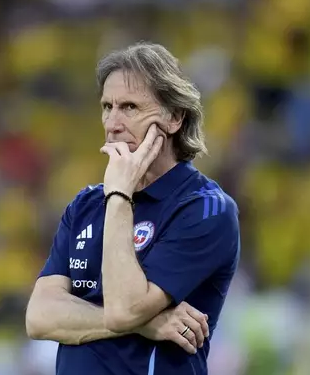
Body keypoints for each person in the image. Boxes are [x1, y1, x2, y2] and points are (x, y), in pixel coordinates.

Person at [25, 42, 240, 375]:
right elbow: (39, 316)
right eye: (107, 107)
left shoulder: (206, 209)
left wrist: (120, 195)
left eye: (129, 107)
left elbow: (124, 310)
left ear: (174, 117)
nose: (112, 123)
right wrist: (145, 325)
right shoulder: (85, 205)